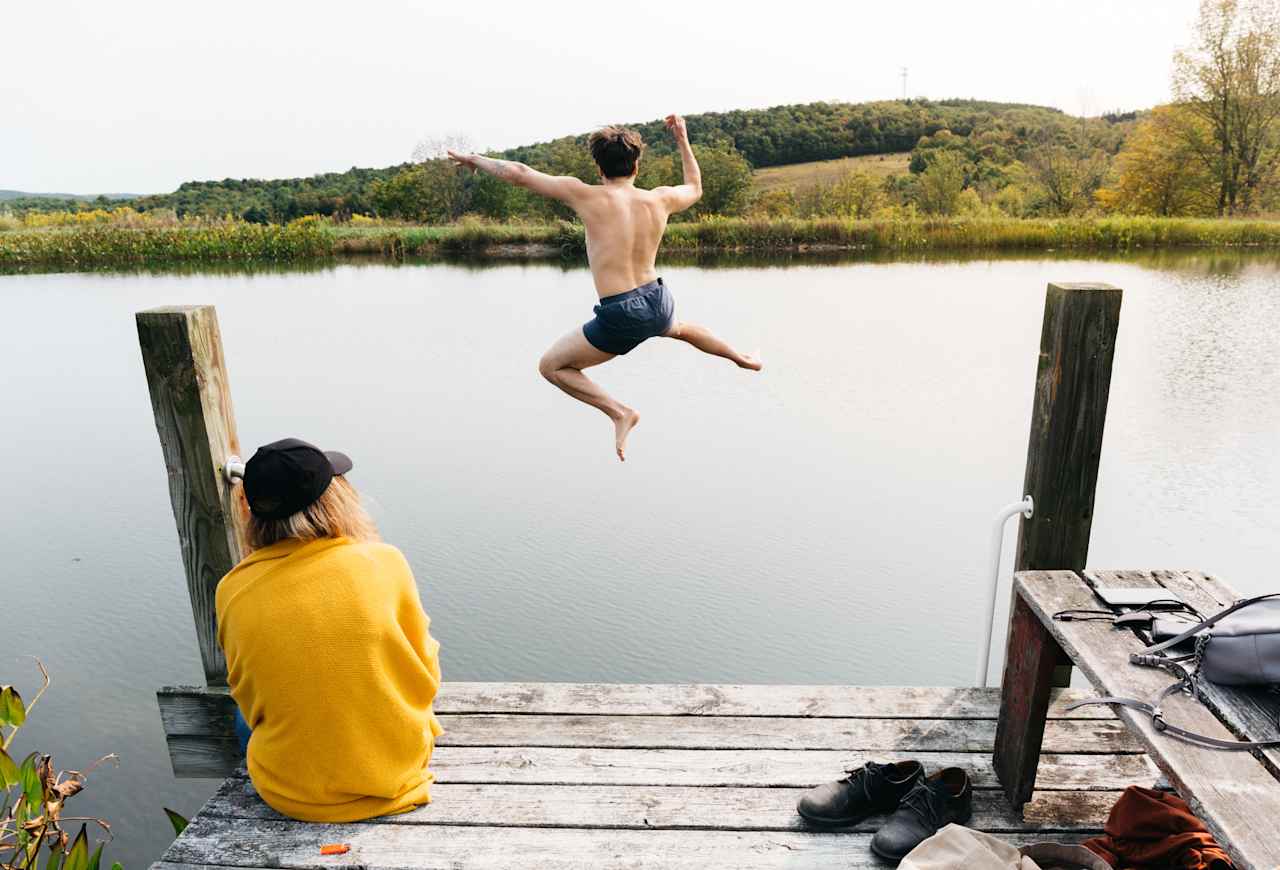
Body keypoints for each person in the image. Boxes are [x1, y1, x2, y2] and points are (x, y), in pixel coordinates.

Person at [448, 115, 762, 462]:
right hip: (658, 299)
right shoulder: (659, 199)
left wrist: (475, 159)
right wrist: (682, 138)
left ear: (599, 167)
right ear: (636, 165)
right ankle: (742, 357)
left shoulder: (585, 195)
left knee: (552, 367)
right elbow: (695, 187)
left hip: (621, 313)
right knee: (678, 328)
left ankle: (619, 412)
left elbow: (519, 174)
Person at [215, 437, 444, 822]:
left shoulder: (232, 588)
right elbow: (427, 674)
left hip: (292, 794)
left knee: (242, 714)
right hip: (395, 774)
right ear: (333, 499)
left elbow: (252, 700)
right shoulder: (384, 563)